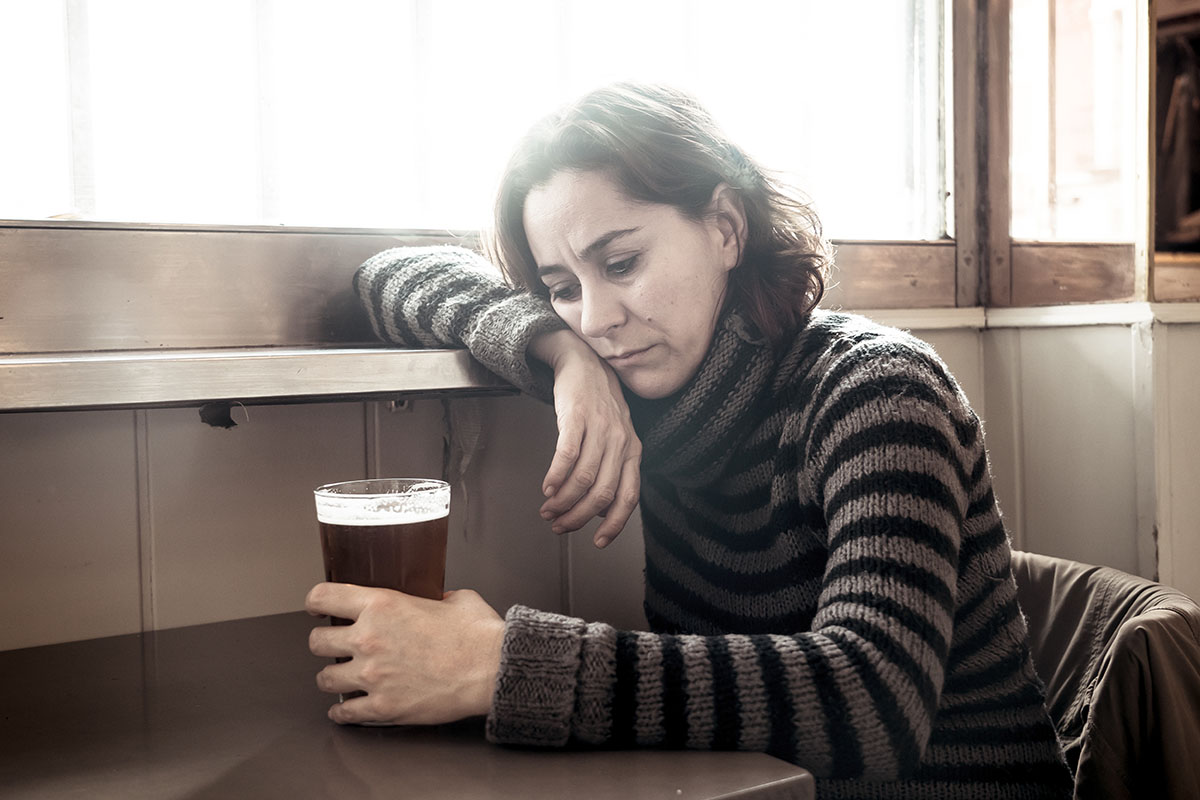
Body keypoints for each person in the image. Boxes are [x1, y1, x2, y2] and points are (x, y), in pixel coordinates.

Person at [306, 82, 1073, 798]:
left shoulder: (875, 388)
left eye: (622, 263)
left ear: (727, 228)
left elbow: (877, 700)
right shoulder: (625, 373)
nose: (597, 316)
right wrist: (558, 351)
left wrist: (504, 663)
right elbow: (388, 275)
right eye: (563, 287)